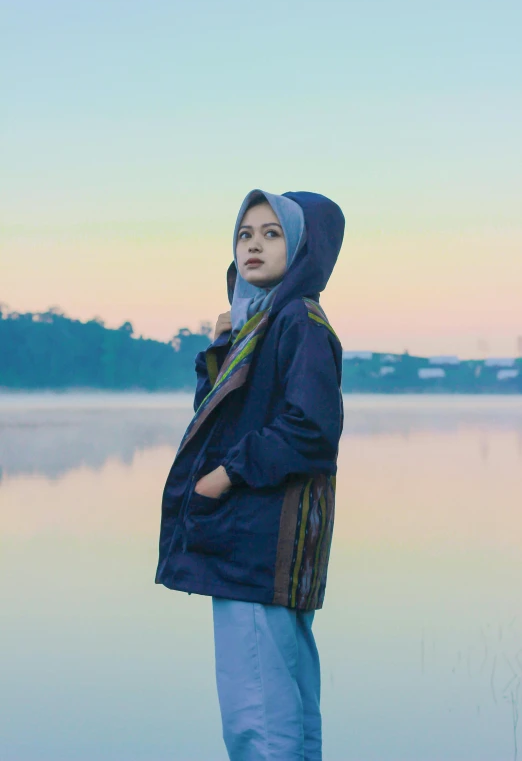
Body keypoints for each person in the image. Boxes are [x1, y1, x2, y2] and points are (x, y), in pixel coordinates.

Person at [155, 188, 345, 760]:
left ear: (305, 247)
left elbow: (311, 430)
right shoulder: (262, 324)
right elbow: (215, 416)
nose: (254, 245)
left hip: (259, 541)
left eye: (272, 233)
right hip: (259, 544)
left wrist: (224, 477)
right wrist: (222, 345)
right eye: (245, 234)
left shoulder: (298, 321)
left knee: (256, 718)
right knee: (285, 709)